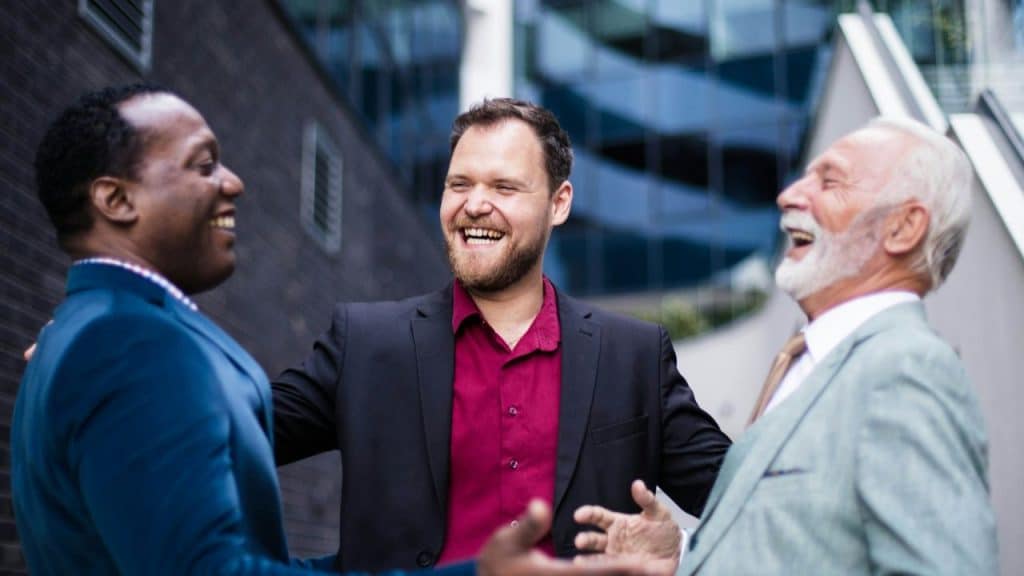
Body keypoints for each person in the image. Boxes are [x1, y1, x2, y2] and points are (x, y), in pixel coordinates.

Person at [12, 85, 647, 576]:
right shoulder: (132, 345)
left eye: (506, 185)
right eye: (203, 165)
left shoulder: (95, 331)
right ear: (115, 201)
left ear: (558, 202)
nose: (232, 181)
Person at [271, 98, 732, 573]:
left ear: (559, 203)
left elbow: (755, 496)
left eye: (504, 187)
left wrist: (683, 548)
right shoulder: (365, 344)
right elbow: (221, 437)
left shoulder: (634, 357)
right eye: (459, 185)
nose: (474, 205)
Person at [574, 117, 999, 574]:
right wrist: (684, 553)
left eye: (829, 181)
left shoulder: (906, 369)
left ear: (903, 227)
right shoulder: (818, 362)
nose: (790, 195)